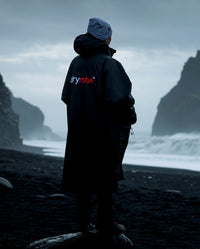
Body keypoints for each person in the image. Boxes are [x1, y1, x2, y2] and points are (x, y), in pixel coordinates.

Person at [61, 18, 137, 234]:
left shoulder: (75, 64)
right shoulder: (108, 64)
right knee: (105, 178)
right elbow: (119, 99)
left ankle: (84, 223)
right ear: (106, 37)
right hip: (103, 132)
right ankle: (106, 223)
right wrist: (131, 116)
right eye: (110, 34)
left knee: (82, 177)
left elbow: (66, 95)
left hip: (77, 131)